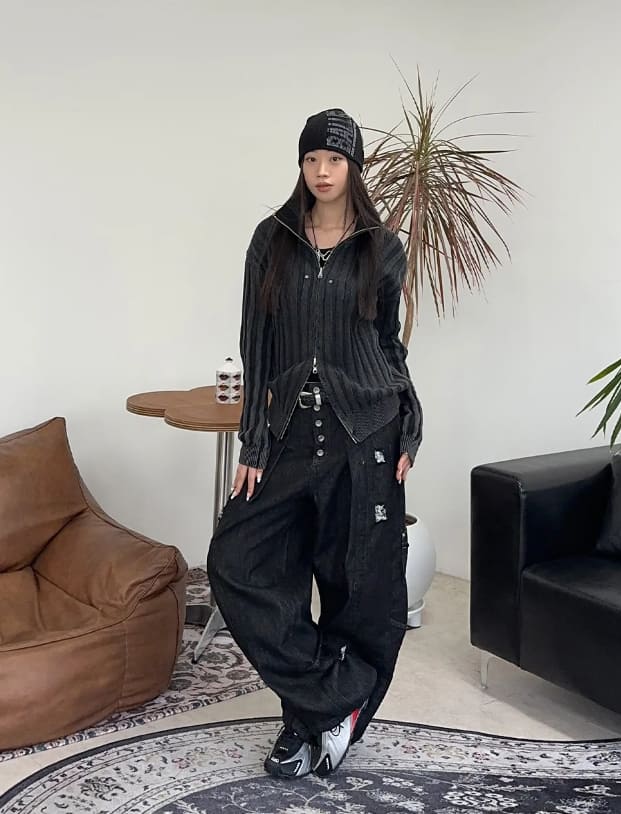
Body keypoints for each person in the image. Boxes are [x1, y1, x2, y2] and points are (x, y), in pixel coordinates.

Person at [207, 108, 423, 780]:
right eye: (311, 159)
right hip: (292, 433)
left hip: (367, 433)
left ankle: (306, 723)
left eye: (334, 159)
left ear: (353, 166)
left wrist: (411, 419)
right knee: (237, 561)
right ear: (300, 165)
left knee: (356, 584)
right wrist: (253, 442)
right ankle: (334, 696)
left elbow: (387, 345)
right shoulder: (271, 240)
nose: (322, 171)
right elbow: (256, 344)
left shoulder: (382, 247)